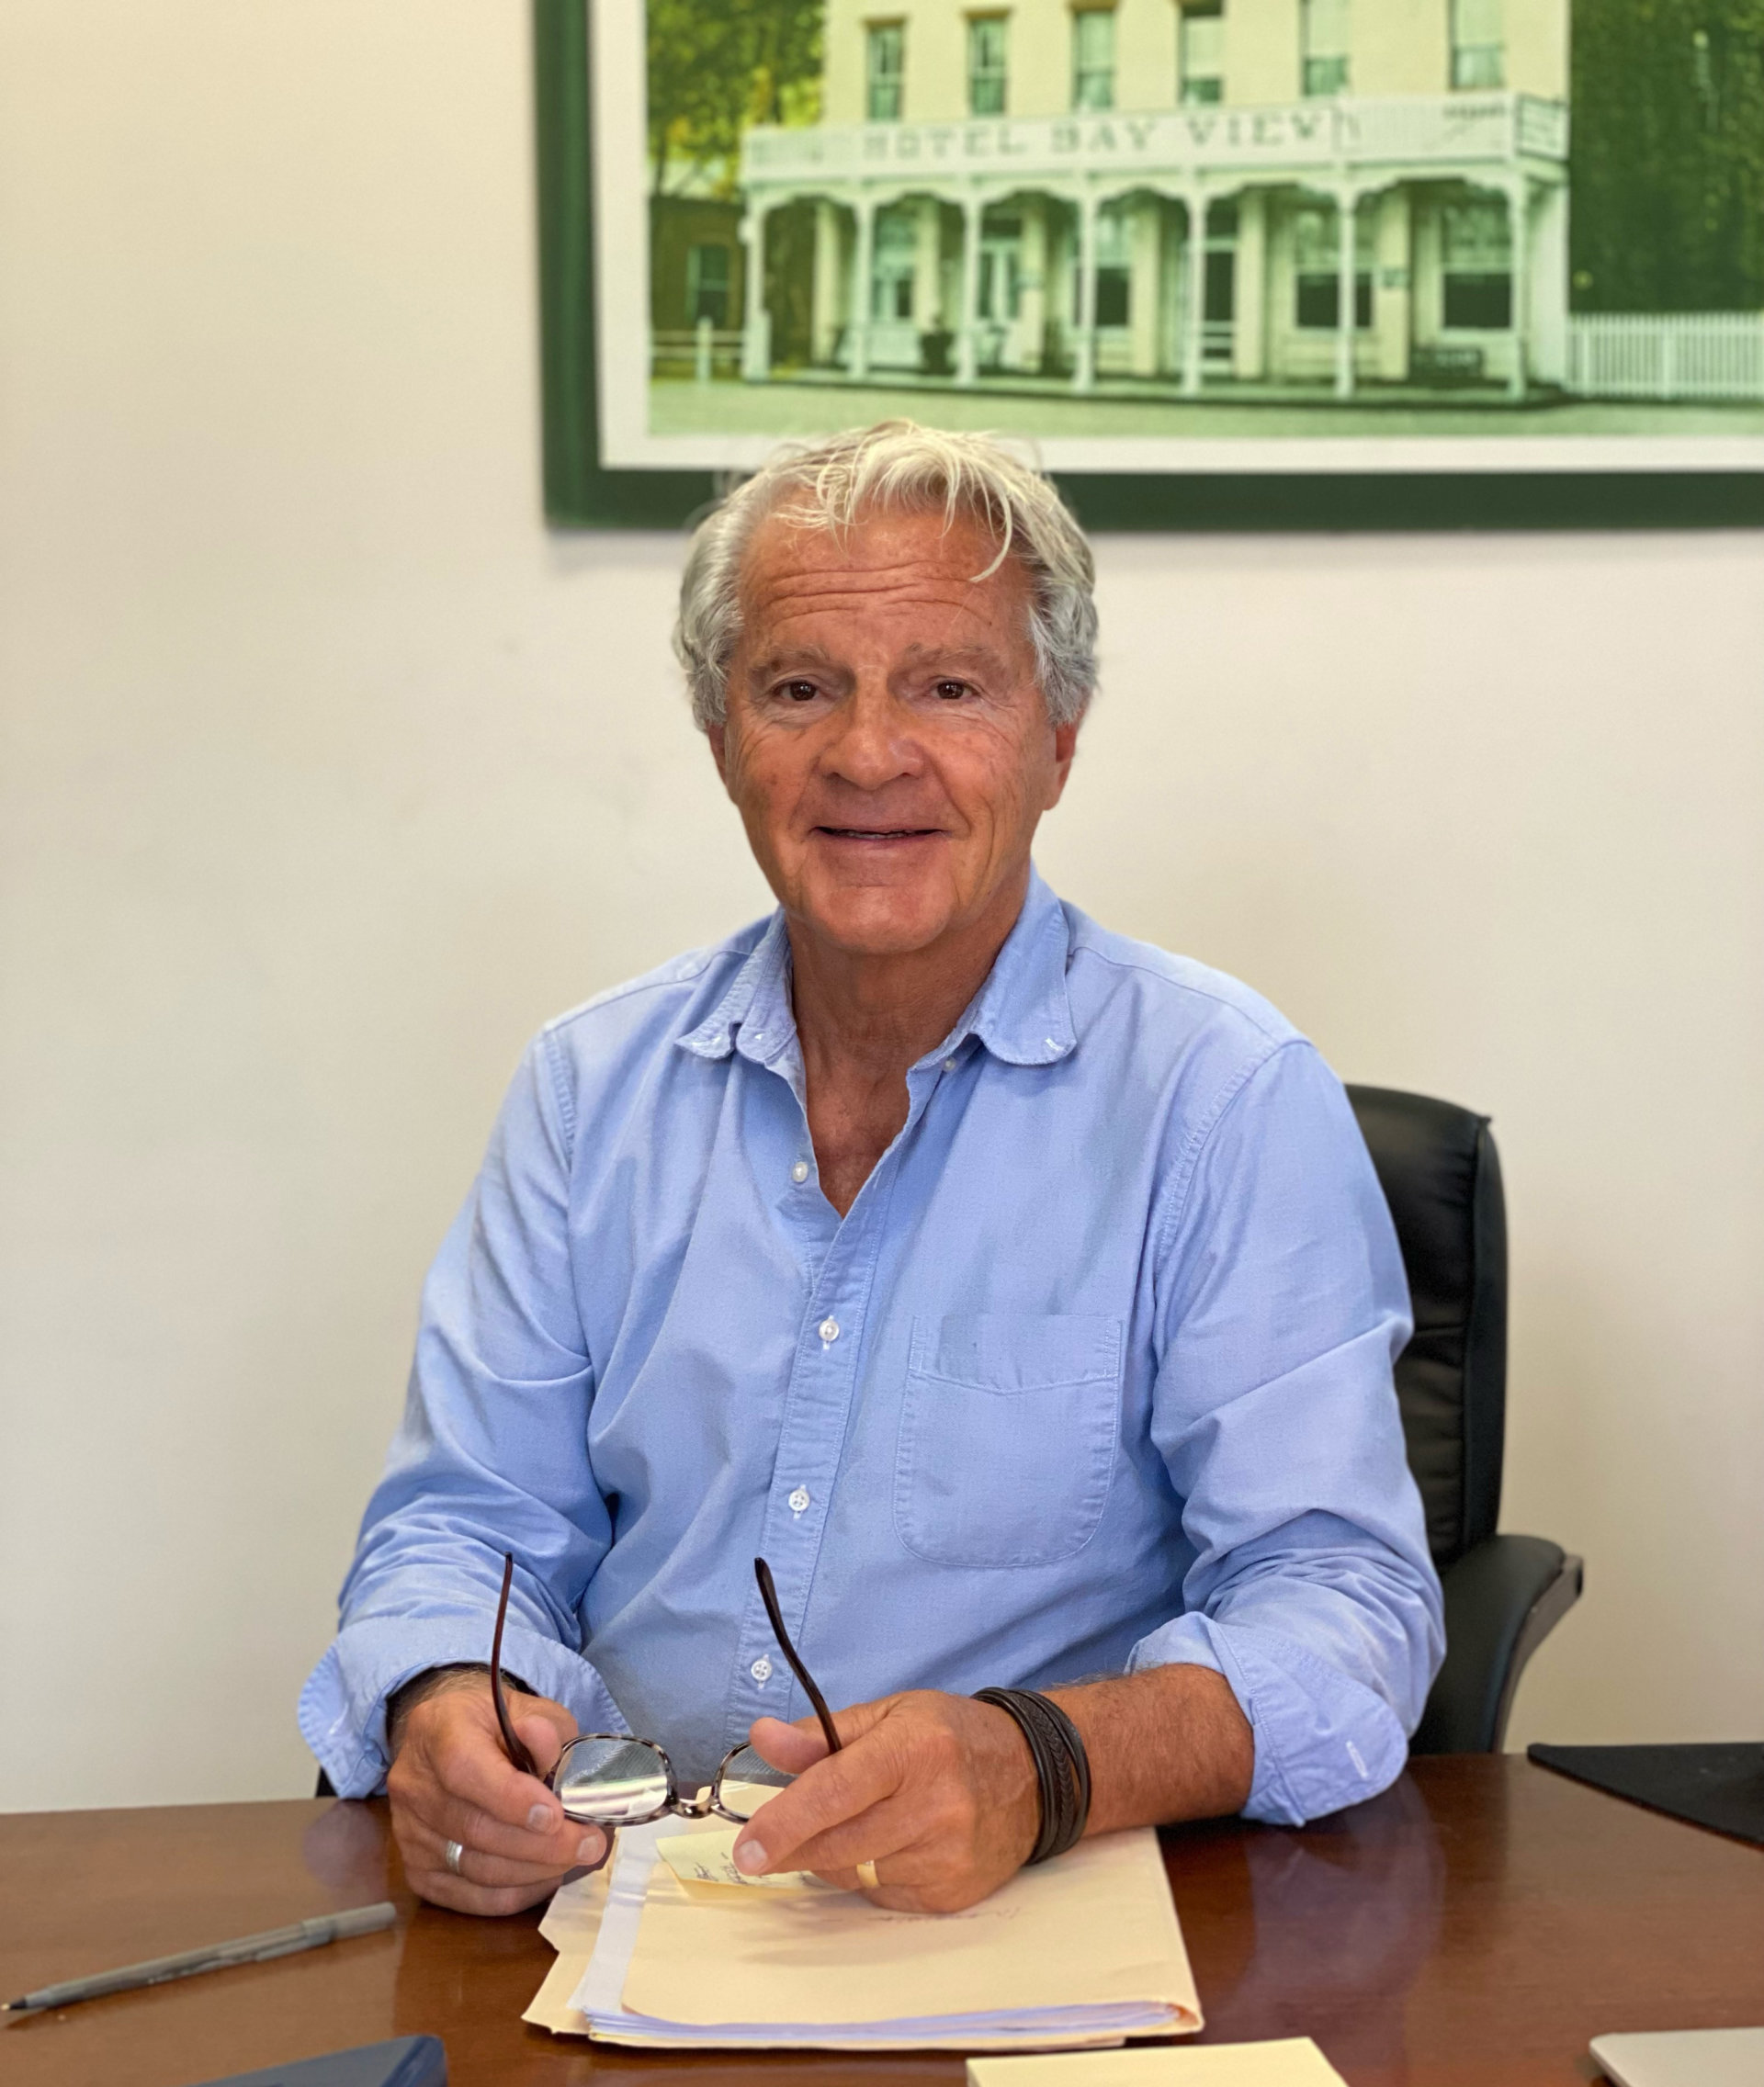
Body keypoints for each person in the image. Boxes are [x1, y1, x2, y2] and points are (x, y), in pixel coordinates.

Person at [300, 421, 1442, 1918]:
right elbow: (465, 1526)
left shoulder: (1220, 1098)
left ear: (1059, 740)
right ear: (723, 740)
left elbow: (1343, 1608)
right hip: (622, 1905)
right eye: (799, 688)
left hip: (1045, 1909)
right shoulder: (589, 1089)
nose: (867, 753)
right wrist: (450, 1695)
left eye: (950, 686)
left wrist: (1049, 1761)